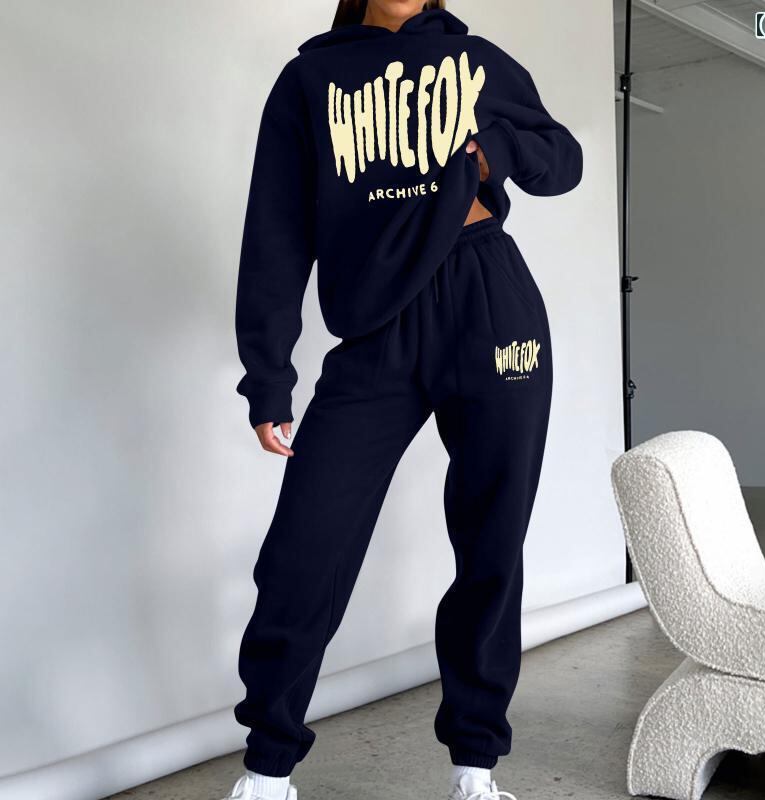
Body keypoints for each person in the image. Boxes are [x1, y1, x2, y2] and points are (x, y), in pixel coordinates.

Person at [224, 1, 582, 798]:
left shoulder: (477, 62)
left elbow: (563, 161)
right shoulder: (309, 80)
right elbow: (276, 232)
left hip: (490, 303)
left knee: (492, 538)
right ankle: (268, 768)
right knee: (305, 547)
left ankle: (475, 766)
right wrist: (268, 375)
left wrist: (497, 150)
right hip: (375, 328)